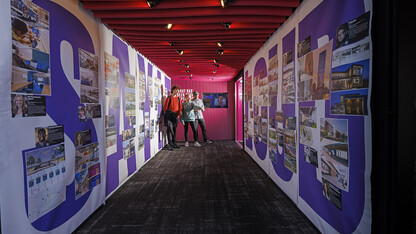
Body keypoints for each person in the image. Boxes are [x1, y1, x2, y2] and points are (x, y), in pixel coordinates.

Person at [163, 85, 182, 150]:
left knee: (174, 130)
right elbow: (165, 108)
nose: (177, 91)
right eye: (176, 90)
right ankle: (170, 144)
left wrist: (179, 113)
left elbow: (180, 108)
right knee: (169, 130)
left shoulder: (179, 99)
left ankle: (174, 143)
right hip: (170, 117)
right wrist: (171, 114)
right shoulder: (169, 98)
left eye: (178, 90)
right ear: (173, 90)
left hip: (176, 117)